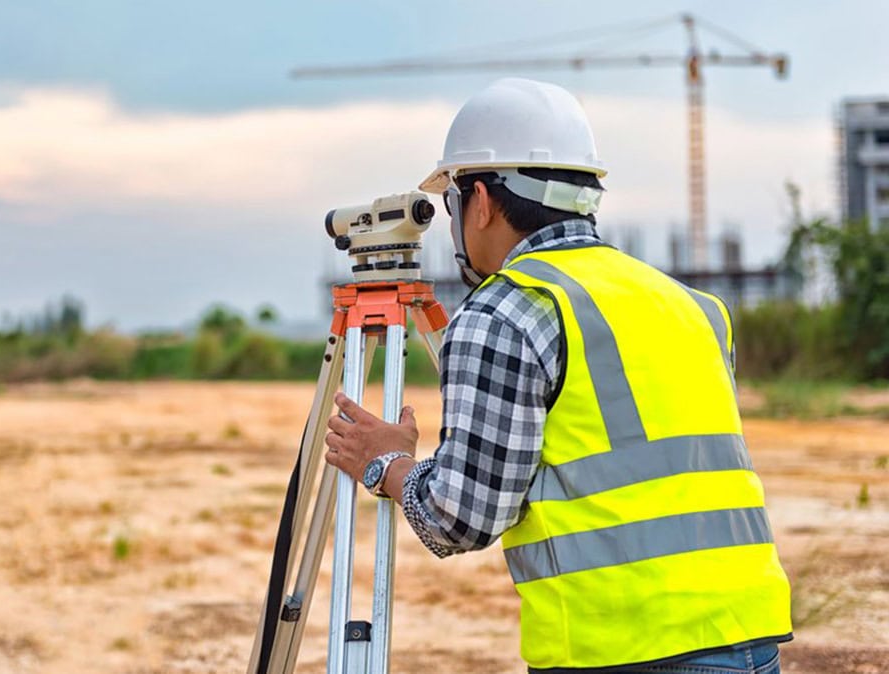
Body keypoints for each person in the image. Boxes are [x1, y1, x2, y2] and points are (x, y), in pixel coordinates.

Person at [323, 78, 791, 674]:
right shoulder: (690, 305)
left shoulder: (506, 311)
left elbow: (457, 520)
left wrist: (386, 464)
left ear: (483, 201)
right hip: (749, 633)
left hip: (624, 650)